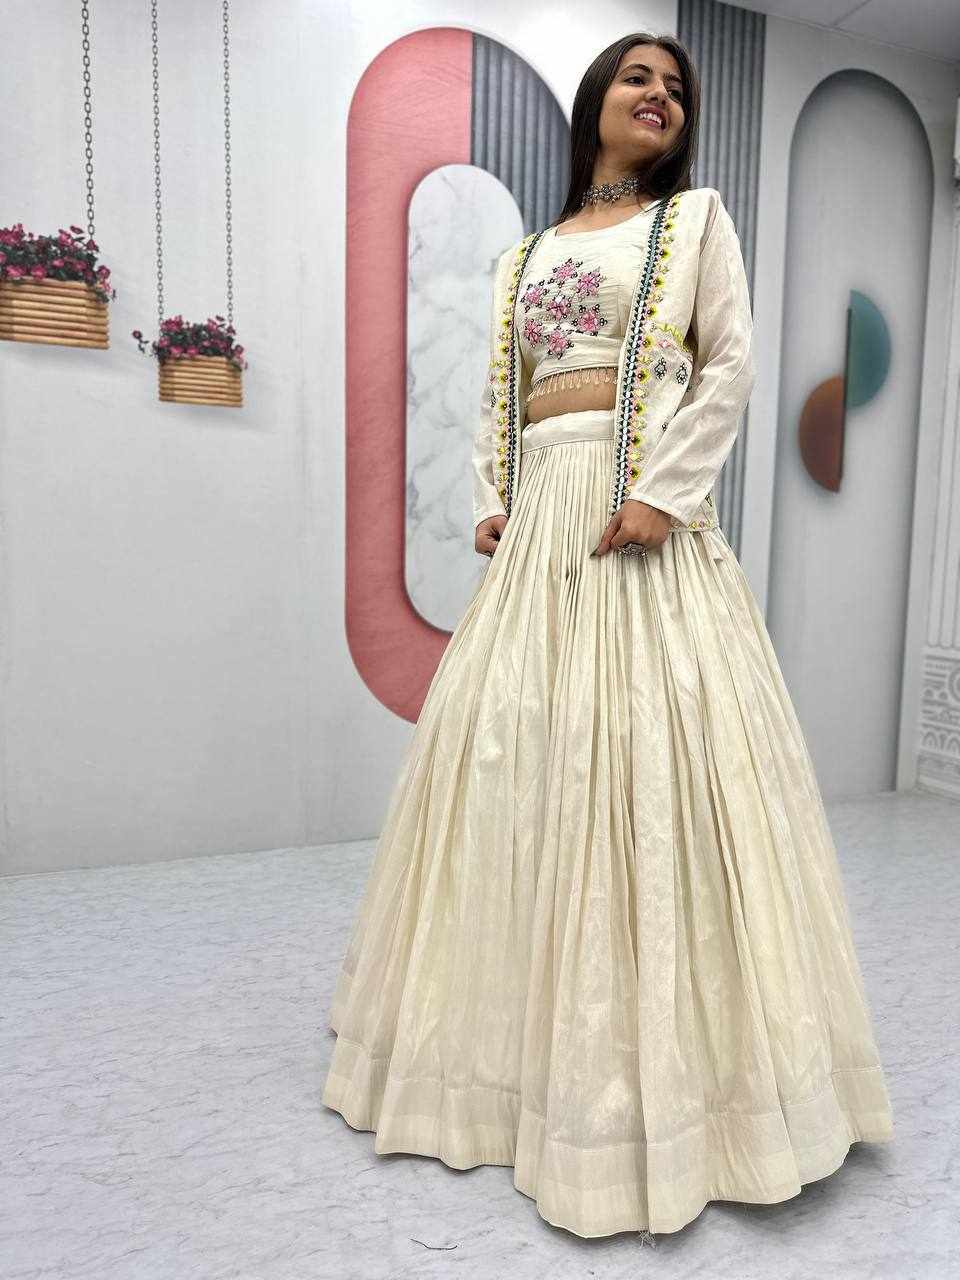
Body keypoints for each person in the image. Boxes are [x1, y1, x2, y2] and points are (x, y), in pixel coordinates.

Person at [321, 31, 894, 1240]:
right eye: (639, 78)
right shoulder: (528, 254)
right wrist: (493, 494)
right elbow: (503, 387)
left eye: (676, 87)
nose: (660, 96)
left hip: (639, 509)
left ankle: (680, 1081)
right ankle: (502, 1056)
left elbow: (729, 366)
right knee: (514, 755)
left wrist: (665, 494)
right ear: (596, 102)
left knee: (645, 758)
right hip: (544, 514)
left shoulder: (697, 225)